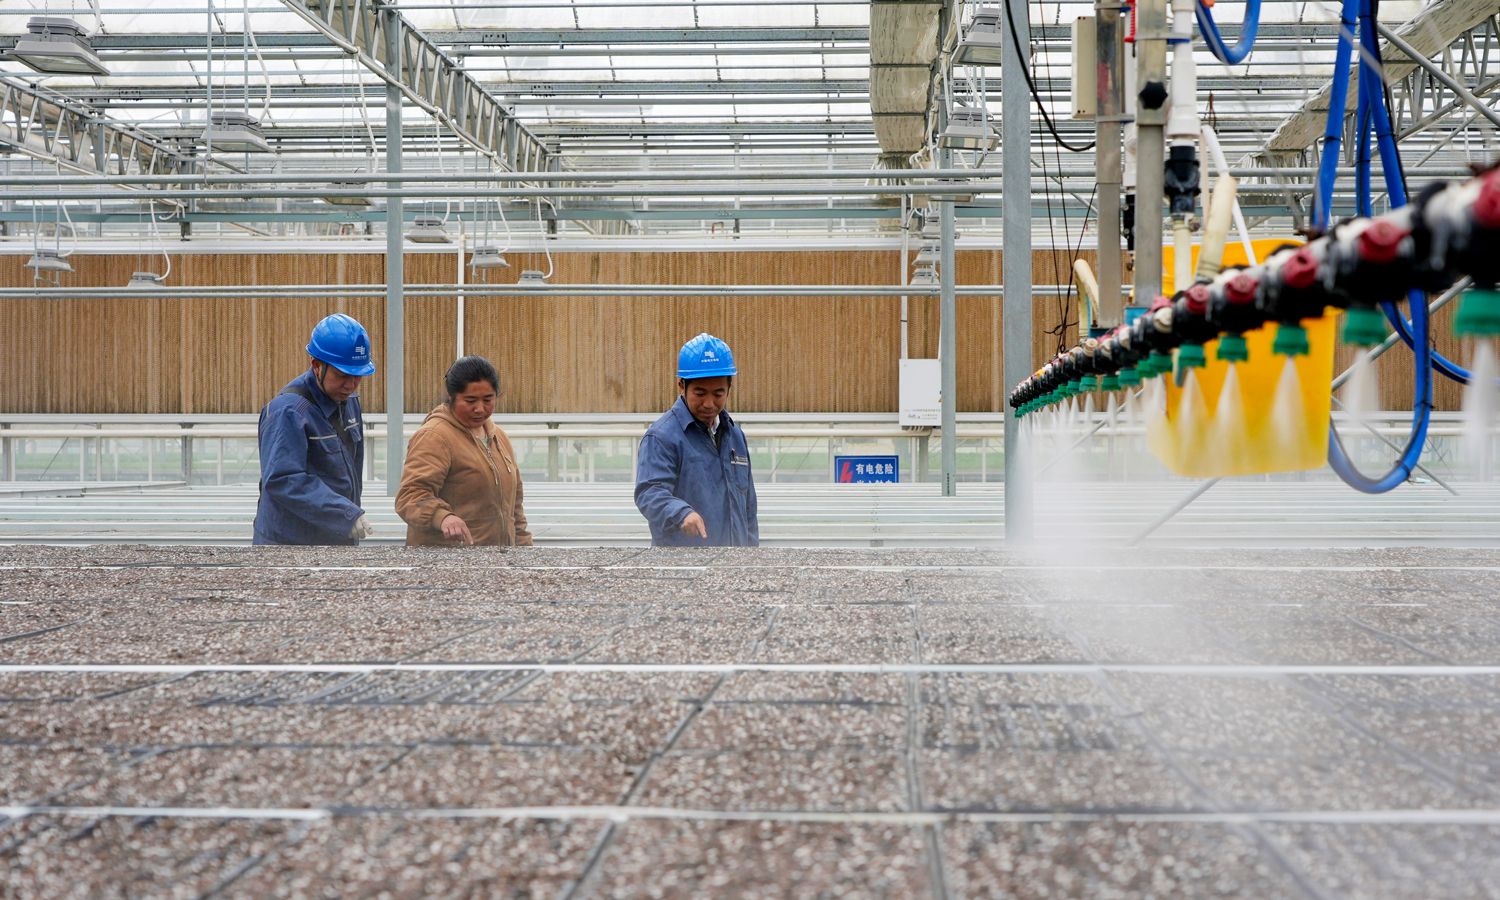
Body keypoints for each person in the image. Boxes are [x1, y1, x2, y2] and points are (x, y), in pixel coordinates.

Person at [254, 314, 375, 546]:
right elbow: (283, 479)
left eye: (358, 377)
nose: (350, 385)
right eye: (342, 376)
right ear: (317, 366)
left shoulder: (349, 402)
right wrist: (345, 514)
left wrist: (348, 517)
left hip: (336, 535)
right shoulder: (289, 412)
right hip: (289, 546)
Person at [635, 333, 759, 546]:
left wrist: (751, 556)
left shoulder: (734, 435)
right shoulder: (662, 437)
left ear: (729, 387)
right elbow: (649, 492)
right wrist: (680, 513)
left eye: (718, 394)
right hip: (683, 567)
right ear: (682, 386)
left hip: (733, 565)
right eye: (700, 393)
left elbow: (748, 507)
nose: (709, 403)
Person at [396, 355, 532, 547]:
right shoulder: (435, 437)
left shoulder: (498, 436)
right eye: (470, 400)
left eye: (488, 400)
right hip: (448, 560)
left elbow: (514, 509)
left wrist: (524, 550)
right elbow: (411, 496)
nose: (479, 409)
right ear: (451, 396)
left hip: (498, 559)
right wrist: (443, 517)